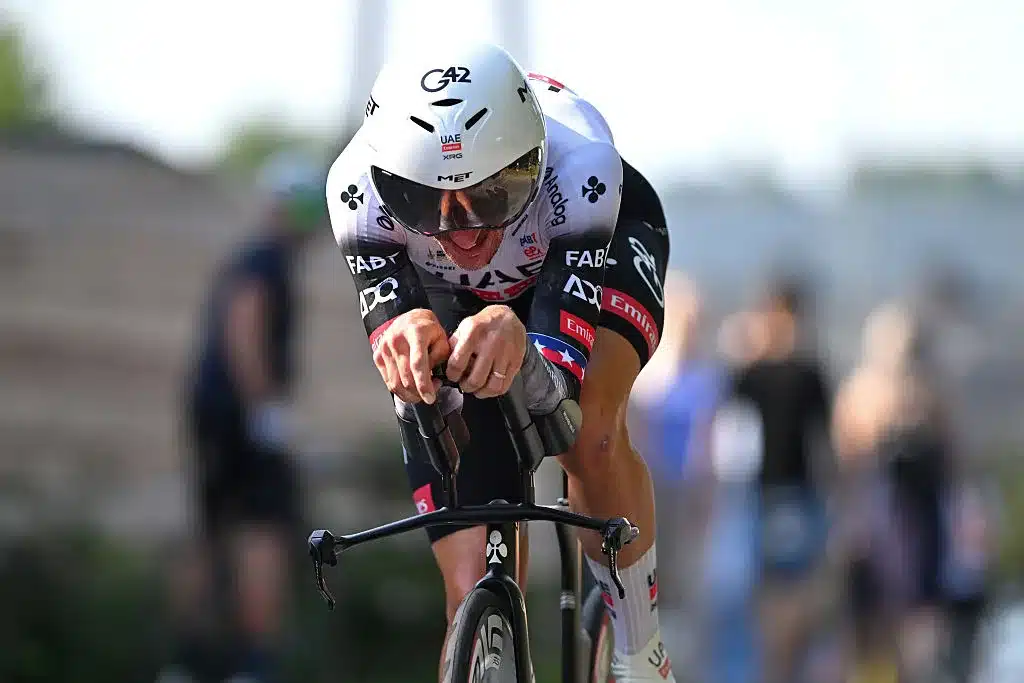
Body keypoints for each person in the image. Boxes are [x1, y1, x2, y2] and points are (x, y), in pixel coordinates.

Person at [326, 44, 674, 682]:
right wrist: (404, 342)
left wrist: (524, 338)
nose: (459, 228)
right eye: (422, 200)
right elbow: (399, 343)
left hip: (590, 246)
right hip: (457, 293)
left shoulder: (581, 166)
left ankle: (640, 650)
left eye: (489, 194)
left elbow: (558, 383)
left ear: (530, 164)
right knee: (467, 587)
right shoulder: (357, 195)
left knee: (589, 434)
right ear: (389, 185)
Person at [167, 152, 326, 683]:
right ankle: (255, 664)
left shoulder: (252, 256)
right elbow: (245, 325)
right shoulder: (266, 261)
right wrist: (264, 410)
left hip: (214, 416)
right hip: (240, 417)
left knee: (212, 529)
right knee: (264, 531)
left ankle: (187, 662)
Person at [713, 278, 834, 683]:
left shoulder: (810, 374)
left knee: (791, 590)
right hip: (757, 495)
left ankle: (784, 668)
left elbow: (824, 442)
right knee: (757, 592)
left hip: (795, 495)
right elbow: (726, 430)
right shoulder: (751, 373)